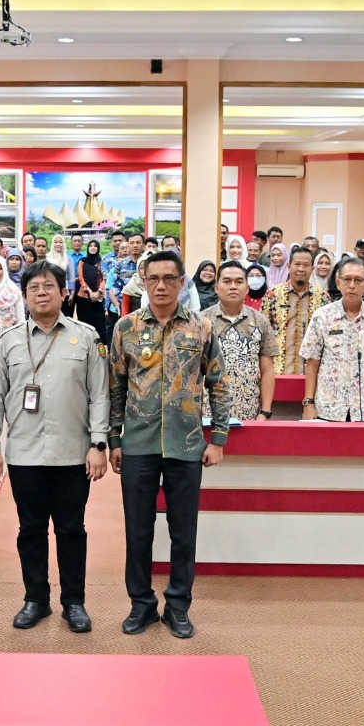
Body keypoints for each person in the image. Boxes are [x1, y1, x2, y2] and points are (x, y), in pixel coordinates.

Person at [108, 250, 230, 640]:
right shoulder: (125, 328)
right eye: (153, 278)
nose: (160, 285)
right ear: (144, 282)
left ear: (181, 283)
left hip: (187, 445)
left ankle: (178, 606)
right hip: (139, 446)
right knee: (138, 531)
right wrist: (114, 439)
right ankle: (141, 605)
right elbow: (115, 387)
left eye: (169, 278)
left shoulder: (201, 327)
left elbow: (219, 384)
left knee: (183, 531)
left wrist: (220, 438)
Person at [0, 261, 108, 634]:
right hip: (25, 453)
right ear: (24, 296)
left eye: (49, 286)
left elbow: (100, 394)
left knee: (72, 529)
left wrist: (98, 442)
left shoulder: (86, 337)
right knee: (31, 529)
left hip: (73, 452)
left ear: (63, 291)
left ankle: (74, 602)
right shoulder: (7, 342)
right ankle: (35, 599)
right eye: (34, 287)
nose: (41, 292)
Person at [301, 258, 364, 423]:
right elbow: (312, 362)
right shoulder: (322, 316)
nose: (352, 285)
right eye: (346, 279)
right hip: (328, 408)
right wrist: (308, 403)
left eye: (358, 280)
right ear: (338, 283)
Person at [203, 261, 279, 422]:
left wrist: (264, 412)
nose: (233, 286)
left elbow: (267, 370)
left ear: (247, 288)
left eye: (239, 282)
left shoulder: (261, 321)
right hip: (208, 415)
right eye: (227, 281)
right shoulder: (200, 321)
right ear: (217, 288)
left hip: (249, 414)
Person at [263, 246, 329, 375]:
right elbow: (264, 332)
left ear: (312, 269)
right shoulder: (273, 294)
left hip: (311, 372)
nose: (301, 269)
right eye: (297, 264)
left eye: (306, 265)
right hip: (278, 370)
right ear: (288, 266)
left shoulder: (323, 297)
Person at [72, 240, 111, 345]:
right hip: (84, 297)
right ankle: (85, 346)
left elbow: (104, 279)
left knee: (99, 324)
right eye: (91, 246)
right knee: (84, 324)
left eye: (95, 246)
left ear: (98, 248)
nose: (93, 248)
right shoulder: (82, 261)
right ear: (88, 248)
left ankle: (101, 349)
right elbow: (81, 278)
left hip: (98, 298)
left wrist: (98, 292)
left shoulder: (101, 262)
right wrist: (90, 292)